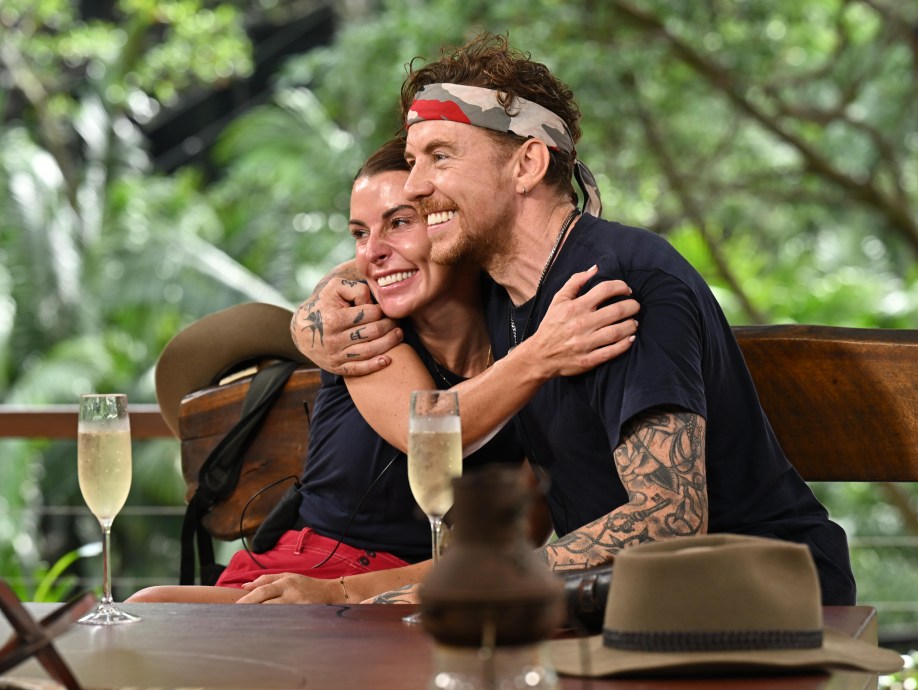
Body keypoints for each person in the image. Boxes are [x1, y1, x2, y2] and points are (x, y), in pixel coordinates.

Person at [307, 33, 857, 604]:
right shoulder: (503, 291)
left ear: (527, 163)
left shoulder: (618, 285)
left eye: (440, 156)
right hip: (629, 605)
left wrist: (470, 583)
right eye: (414, 160)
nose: (416, 186)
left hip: (765, 598)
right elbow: (377, 263)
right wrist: (315, 311)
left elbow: (668, 519)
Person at [128, 137, 638, 604]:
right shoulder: (364, 328)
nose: (371, 251)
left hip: (408, 592)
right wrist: (543, 355)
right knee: (148, 608)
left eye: (399, 222)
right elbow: (430, 432)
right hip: (295, 575)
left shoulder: (525, 332)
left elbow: (508, 544)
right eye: (359, 233)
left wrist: (358, 593)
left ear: (449, 224)